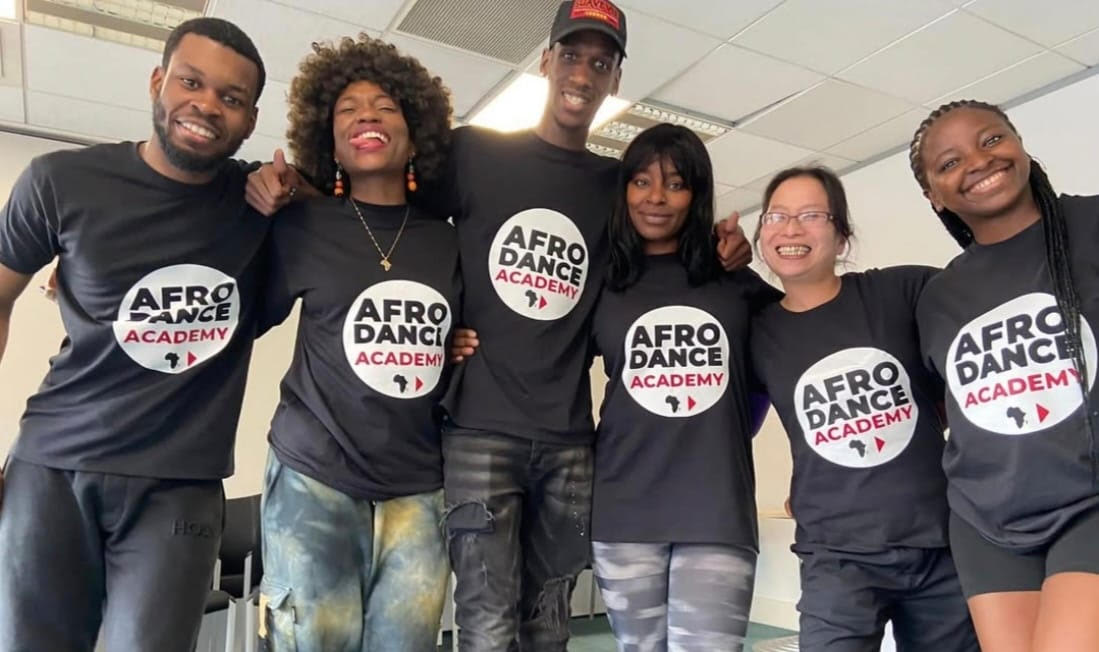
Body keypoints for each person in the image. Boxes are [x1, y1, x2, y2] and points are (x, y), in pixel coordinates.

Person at [247, 4, 750, 649]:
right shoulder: (474, 154)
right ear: (545, 63)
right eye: (570, 56)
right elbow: (376, 209)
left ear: (615, 81)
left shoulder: (614, 187)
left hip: (570, 442)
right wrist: (294, 191)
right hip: (477, 434)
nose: (583, 73)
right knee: (484, 625)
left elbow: (663, 246)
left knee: (549, 623)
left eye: (601, 63)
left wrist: (725, 248)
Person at [0, 17, 267, 651]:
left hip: (179, 488)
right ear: (158, 82)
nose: (206, 105)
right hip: (54, 468)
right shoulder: (59, 181)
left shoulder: (263, 207)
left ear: (251, 120)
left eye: (231, 99)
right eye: (191, 82)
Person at [255, 35, 459, 652]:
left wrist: (462, 346)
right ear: (330, 140)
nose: (366, 114)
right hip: (314, 477)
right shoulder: (300, 224)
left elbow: (466, 341)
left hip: (420, 491)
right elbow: (232, 305)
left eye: (385, 106)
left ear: (416, 132)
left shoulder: (449, 242)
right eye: (347, 109)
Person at [749, 166, 977, 651]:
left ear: (841, 234)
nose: (791, 229)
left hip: (939, 545)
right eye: (777, 216)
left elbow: (980, 327)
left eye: (811, 215)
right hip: (836, 556)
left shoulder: (900, 292)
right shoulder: (756, 332)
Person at [910, 99, 1099, 652]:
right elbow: (947, 407)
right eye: (948, 163)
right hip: (987, 522)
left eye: (991, 140)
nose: (977, 161)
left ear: (1018, 143)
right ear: (932, 195)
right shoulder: (939, 296)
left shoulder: (1091, 224)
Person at [588, 123, 778, 651]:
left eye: (675, 184)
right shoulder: (605, 282)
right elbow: (544, 360)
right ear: (623, 189)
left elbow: (791, 356)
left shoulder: (732, 279)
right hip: (624, 508)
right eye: (642, 182)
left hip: (715, 509)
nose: (656, 198)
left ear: (695, 195)